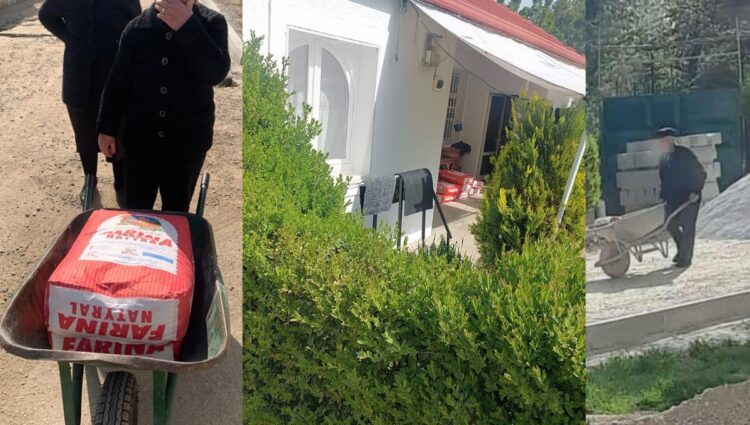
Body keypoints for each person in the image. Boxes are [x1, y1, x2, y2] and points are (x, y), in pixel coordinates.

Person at [97, 0, 230, 212]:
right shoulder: (137, 28)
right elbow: (117, 83)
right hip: (141, 143)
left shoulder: (212, 23)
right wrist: (106, 128)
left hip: (187, 145)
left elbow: (216, 73)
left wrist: (187, 25)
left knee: (177, 211)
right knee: (137, 211)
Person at [38, 0, 141, 207]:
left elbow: (135, 23)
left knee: (118, 130)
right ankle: (89, 180)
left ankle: (121, 182)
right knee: (84, 134)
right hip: (78, 77)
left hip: (114, 75)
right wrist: (71, 39)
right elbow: (46, 15)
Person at [657, 127, 706, 268]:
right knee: (670, 225)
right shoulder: (663, 158)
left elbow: (701, 173)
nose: (661, 145)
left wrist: (695, 191)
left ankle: (686, 258)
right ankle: (682, 251)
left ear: (670, 141)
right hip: (674, 198)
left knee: (687, 226)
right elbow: (664, 180)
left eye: (663, 141)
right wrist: (663, 197)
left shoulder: (685, 154)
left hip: (690, 196)